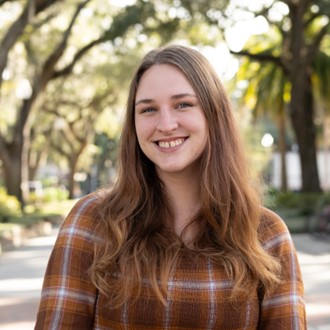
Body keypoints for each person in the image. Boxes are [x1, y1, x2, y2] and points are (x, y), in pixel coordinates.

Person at [35, 44, 306, 329]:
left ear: (214, 114)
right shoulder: (91, 222)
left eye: (183, 104)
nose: (165, 124)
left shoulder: (266, 235)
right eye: (148, 109)